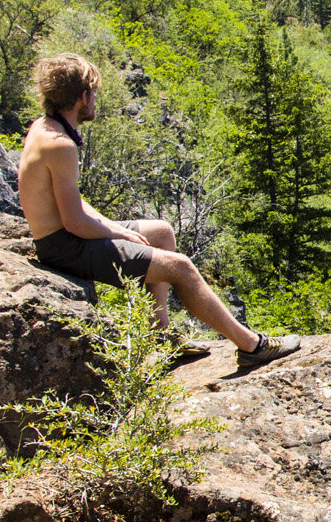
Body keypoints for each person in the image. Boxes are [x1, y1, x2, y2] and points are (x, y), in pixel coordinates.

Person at [17, 53, 299, 371]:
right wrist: (116, 232)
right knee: (180, 268)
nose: (95, 100)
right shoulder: (60, 146)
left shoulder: (44, 127)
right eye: (93, 93)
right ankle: (252, 346)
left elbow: (70, 200)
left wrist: (110, 224)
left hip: (61, 236)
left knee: (162, 232)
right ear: (82, 97)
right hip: (64, 246)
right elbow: (73, 220)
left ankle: (160, 336)